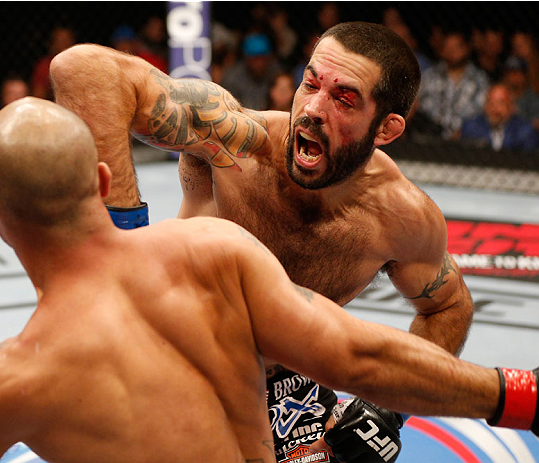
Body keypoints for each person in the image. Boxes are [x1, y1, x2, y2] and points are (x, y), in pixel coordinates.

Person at [0, 98, 539, 463]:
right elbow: (358, 353)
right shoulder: (215, 249)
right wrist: (519, 394)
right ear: (98, 182)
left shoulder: (10, 376)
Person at [50, 21, 477, 461]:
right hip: (177, 360)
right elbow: (82, 69)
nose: (312, 108)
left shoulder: (401, 215)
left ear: (386, 129)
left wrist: (389, 408)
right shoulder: (233, 140)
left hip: (293, 389)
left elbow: (449, 305)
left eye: (343, 99)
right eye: (310, 83)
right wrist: (122, 248)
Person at [418, 29, 490, 140]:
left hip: (468, 140)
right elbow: (420, 107)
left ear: (466, 48)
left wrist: (465, 130)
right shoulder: (429, 77)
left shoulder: (480, 80)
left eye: (456, 47)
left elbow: (481, 112)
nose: (452, 52)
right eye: (448, 47)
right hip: (431, 138)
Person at [460, 84, 538, 152]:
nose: (495, 109)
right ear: (485, 106)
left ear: (511, 107)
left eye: (501, 103)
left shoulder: (526, 132)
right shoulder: (471, 128)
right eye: (491, 103)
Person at [31, 26, 76, 100]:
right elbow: (38, 96)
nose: (63, 45)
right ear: (52, 44)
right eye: (59, 41)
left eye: (66, 41)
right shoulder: (44, 66)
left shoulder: (79, 64)